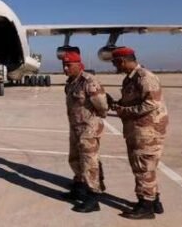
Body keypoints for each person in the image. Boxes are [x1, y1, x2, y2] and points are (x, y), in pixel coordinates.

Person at [108, 46, 168, 219]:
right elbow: (130, 102)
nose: (114, 66)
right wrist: (116, 104)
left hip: (148, 130)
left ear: (123, 61)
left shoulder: (145, 78)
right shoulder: (130, 79)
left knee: (143, 167)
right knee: (146, 167)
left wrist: (123, 111)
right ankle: (154, 201)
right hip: (138, 129)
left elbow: (150, 105)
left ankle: (146, 206)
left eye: (115, 63)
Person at [61, 51, 108, 213]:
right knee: (74, 159)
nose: (65, 68)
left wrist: (92, 123)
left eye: (69, 65)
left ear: (79, 65)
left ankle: (93, 198)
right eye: (64, 65)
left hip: (89, 127)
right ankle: (79, 187)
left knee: (89, 161)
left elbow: (102, 106)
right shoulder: (71, 83)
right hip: (75, 127)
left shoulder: (89, 82)